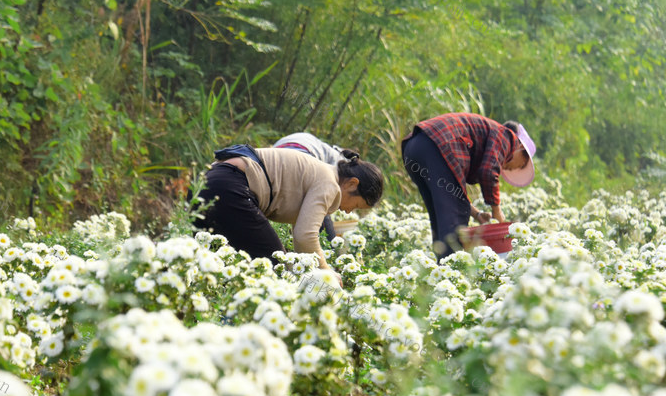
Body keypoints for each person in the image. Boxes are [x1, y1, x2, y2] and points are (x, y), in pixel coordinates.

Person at [193, 145, 384, 269]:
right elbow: (305, 236)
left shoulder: (320, 172)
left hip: (206, 183)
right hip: (230, 186)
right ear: (352, 184)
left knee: (211, 265)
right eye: (356, 206)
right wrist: (327, 273)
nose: (349, 212)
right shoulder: (329, 184)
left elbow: (301, 237)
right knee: (277, 265)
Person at [400, 112, 536, 260]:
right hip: (439, 142)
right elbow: (489, 171)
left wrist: (477, 214)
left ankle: (442, 269)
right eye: (521, 165)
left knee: (441, 215)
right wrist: (497, 211)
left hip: (415, 147)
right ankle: (451, 272)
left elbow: (453, 193)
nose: (509, 169)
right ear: (521, 149)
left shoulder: (492, 135)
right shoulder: (508, 137)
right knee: (454, 222)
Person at [273, 132, 355, 240]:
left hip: (276, 155)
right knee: (319, 221)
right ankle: (329, 252)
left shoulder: (329, 152)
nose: (350, 211)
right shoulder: (341, 167)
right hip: (299, 158)